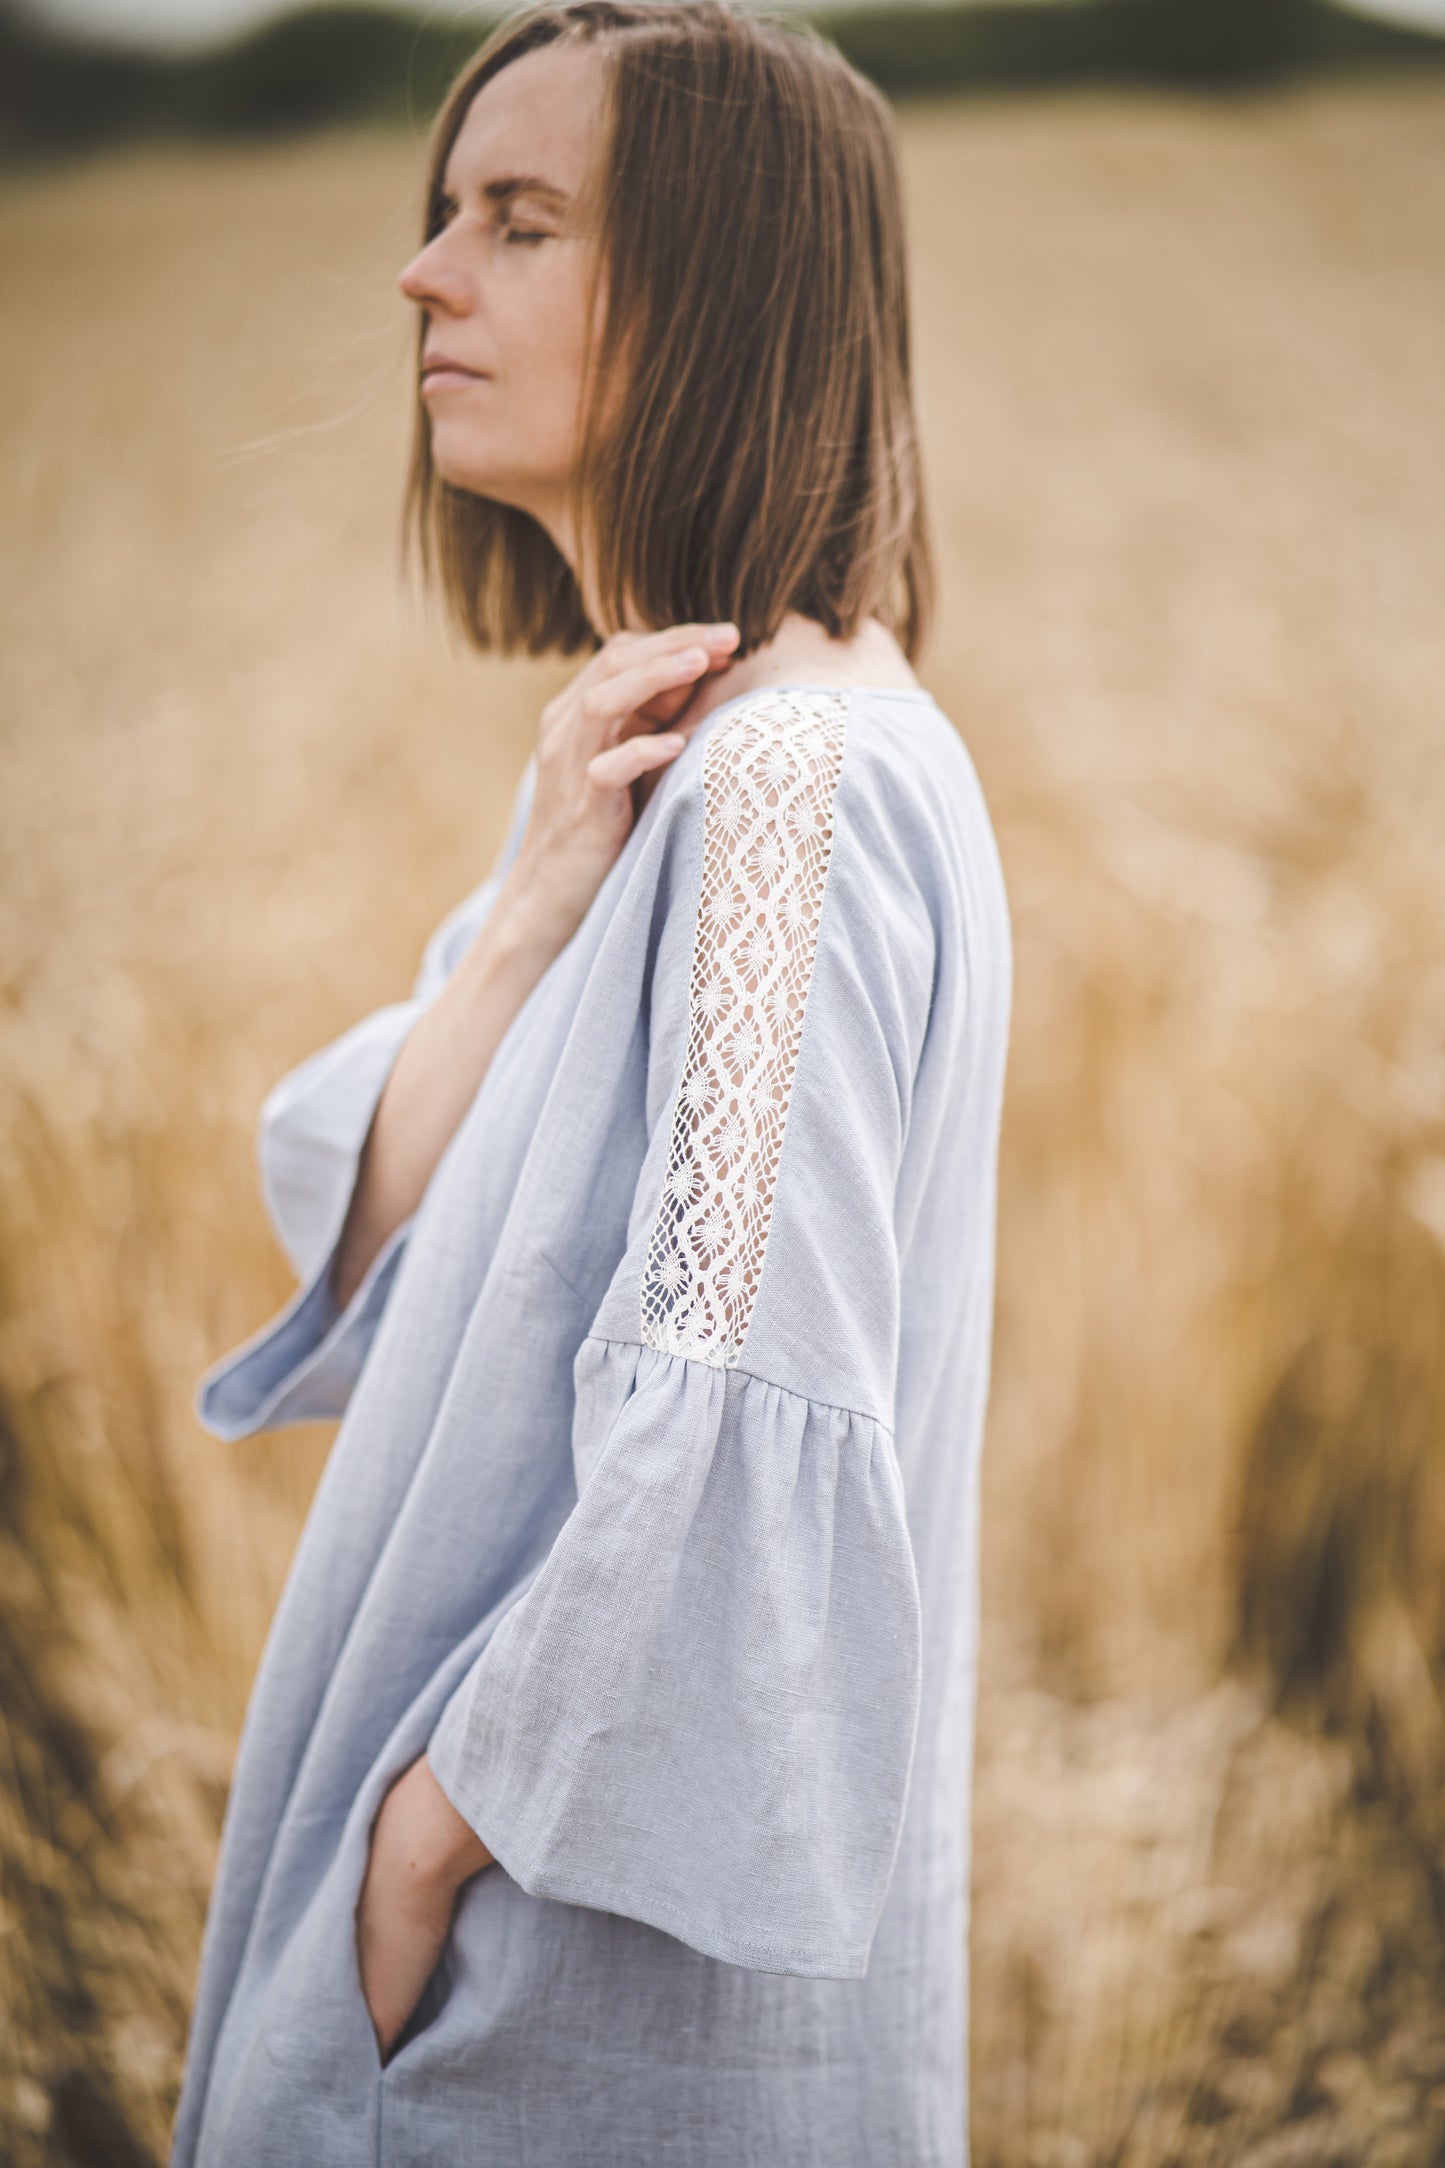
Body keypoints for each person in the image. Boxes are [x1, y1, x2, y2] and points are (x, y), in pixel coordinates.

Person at [169, 3, 1013, 2163]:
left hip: (557, 2025)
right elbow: (380, 1234)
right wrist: (538, 901)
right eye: (446, 210)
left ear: (719, 290)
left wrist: (423, 1854)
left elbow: (725, 1419)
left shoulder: (790, 792)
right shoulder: (690, 772)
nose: (422, 274)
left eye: (517, 222)